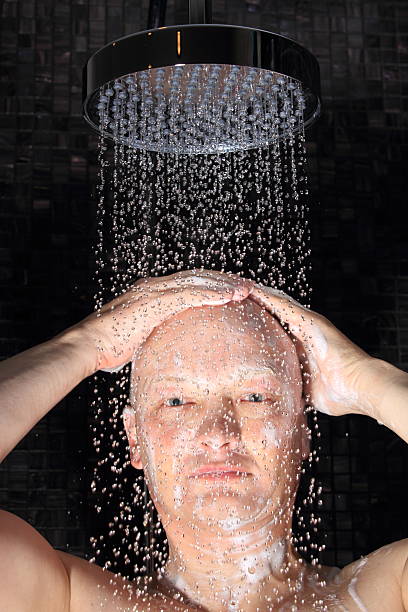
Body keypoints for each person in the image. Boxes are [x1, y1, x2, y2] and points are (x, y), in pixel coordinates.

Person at [1, 269, 408, 611]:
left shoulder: (385, 594)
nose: (218, 434)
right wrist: (86, 345)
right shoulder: (64, 600)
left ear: (301, 430)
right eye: (176, 400)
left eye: (255, 397)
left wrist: (364, 378)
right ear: (135, 439)